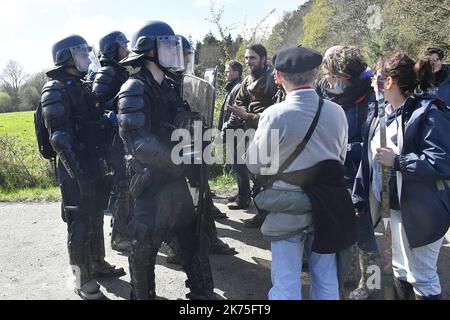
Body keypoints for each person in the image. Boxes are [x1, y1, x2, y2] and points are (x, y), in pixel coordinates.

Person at [247, 46, 357, 300]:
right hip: (327, 204)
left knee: (286, 282)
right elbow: (339, 159)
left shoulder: (274, 115)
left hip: (287, 205)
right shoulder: (337, 112)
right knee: (327, 279)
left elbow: (254, 164)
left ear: (278, 76)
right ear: (316, 74)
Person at [117, 21, 216, 300]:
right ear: (150, 51)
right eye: (168, 46)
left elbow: (183, 124)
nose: (175, 52)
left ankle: (202, 295)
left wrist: (197, 139)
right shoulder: (133, 89)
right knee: (144, 248)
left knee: (192, 240)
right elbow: (138, 142)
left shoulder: (171, 86)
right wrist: (179, 159)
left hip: (175, 179)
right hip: (149, 183)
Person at [353, 50, 450, 300]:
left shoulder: (429, 111)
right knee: (400, 269)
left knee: (423, 276)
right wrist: (360, 195)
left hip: (422, 211)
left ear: (390, 81)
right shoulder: (382, 114)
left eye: (376, 76)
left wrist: (397, 161)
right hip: (392, 209)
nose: (372, 81)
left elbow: (441, 162)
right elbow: (369, 159)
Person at [41, 35, 125, 300]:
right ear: (66, 56)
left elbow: (89, 121)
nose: (88, 57)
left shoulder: (79, 85)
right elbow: (60, 139)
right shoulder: (54, 89)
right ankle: (80, 279)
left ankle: (97, 263)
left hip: (92, 163)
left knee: (96, 216)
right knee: (78, 225)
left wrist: (107, 120)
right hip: (74, 170)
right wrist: (81, 175)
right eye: (81, 53)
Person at [320, 46, 379, 300]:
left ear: (344, 74)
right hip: (336, 175)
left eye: (332, 75)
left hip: (360, 176)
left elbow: (375, 141)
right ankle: (350, 277)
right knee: (344, 232)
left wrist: (343, 148)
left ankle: (374, 285)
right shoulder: (329, 93)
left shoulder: (370, 97)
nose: (329, 81)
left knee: (366, 236)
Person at [225, 44, 278, 227]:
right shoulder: (247, 80)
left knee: (264, 177)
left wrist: (248, 116)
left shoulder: (273, 80)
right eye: (246, 58)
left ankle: (265, 215)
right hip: (248, 132)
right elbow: (238, 103)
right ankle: (253, 205)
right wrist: (230, 126)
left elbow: (277, 113)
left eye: (252, 58)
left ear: (263, 59)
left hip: (267, 133)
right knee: (250, 171)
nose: (248, 62)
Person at [92, 31, 132, 253]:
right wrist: (112, 115)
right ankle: (119, 235)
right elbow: (96, 106)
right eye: (122, 45)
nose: (127, 49)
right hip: (112, 142)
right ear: (112, 48)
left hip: (123, 139)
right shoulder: (107, 73)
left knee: (126, 186)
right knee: (122, 187)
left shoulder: (120, 71)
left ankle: (123, 229)